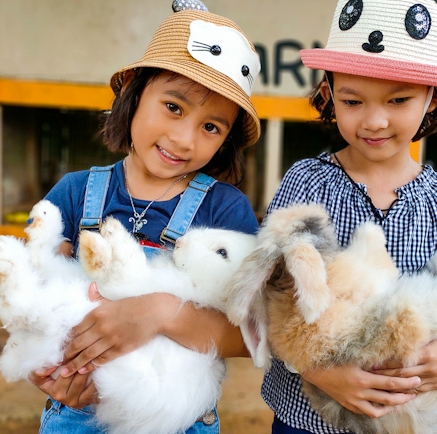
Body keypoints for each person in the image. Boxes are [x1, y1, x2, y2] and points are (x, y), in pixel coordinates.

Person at [262, 0, 437, 433]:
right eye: (353, 100)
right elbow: (268, 295)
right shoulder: (305, 183)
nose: (375, 121)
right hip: (308, 418)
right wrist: (321, 371)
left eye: (398, 100)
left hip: (410, 419)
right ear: (328, 94)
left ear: (432, 101)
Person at [28, 1, 262, 433]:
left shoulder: (225, 211)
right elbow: (29, 296)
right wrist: (42, 365)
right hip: (77, 413)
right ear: (134, 93)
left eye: (212, 127)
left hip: (178, 418)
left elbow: (250, 333)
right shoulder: (74, 194)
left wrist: (161, 312)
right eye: (174, 107)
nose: (183, 138)